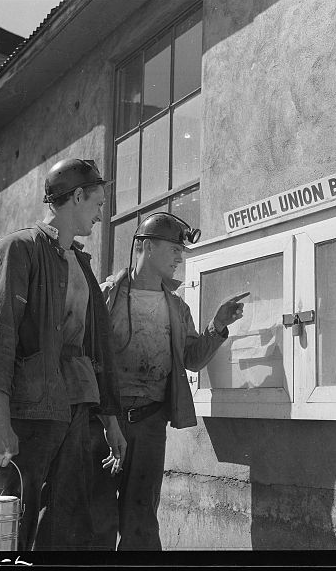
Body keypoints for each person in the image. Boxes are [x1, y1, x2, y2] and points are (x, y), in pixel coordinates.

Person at [0, 158, 126, 551]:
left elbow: (97, 348)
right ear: (77, 197)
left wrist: (110, 420)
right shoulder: (18, 249)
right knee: (10, 518)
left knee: (68, 520)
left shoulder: (82, 264)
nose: (101, 214)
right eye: (97, 203)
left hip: (74, 406)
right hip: (27, 410)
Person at [89, 212, 248, 550]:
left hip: (149, 425)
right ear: (146, 246)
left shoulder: (176, 307)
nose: (180, 257)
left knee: (142, 518)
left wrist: (217, 326)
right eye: (174, 249)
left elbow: (192, 358)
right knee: (95, 515)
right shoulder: (104, 296)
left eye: (181, 251)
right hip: (101, 422)